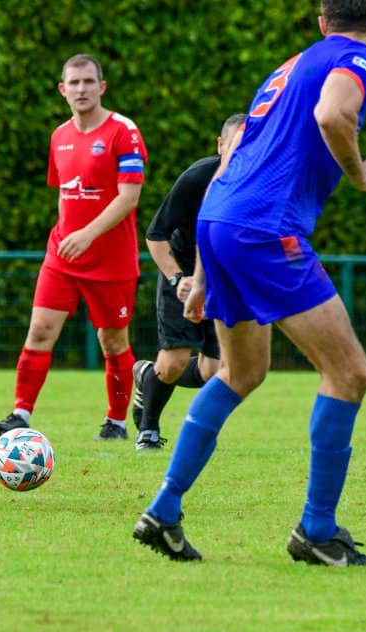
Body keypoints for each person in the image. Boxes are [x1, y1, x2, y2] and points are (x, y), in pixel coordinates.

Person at [133, 0, 366, 566]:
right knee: (350, 373)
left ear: (322, 22)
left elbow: (235, 157)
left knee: (241, 372)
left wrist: (202, 271)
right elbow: (333, 115)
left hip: (220, 220)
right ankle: (317, 529)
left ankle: (164, 510)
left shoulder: (290, 66)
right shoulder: (357, 58)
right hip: (266, 230)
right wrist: (360, 173)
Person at [0, 54, 147, 442]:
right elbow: (65, 195)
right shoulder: (59, 136)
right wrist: (68, 235)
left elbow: (129, 197)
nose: (81, 89)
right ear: (62, 90)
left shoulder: (124, 132)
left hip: (111, 260)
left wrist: (88, 234)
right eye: (73, 83)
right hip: (62, 255)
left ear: (102, 87)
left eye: (88, 81)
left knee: (113, 341)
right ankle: (20, 414)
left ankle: (116, 422)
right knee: (40, 330)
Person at [130, 113, 247, 451]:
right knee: (173, 363)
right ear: (220, 145)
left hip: (223, 279)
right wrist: (177, 278)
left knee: (215, 371)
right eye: (234, 146)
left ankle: (146, 374)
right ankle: (148, 429)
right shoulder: (196, 178)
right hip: (181, 272)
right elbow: (155, 235)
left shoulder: (261, 183)